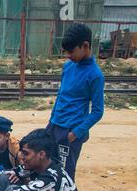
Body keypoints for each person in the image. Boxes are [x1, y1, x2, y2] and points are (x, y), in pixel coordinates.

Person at [47, 23, 104, 181]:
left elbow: (98, 111)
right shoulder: (68, 67)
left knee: (65, 175)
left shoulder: (95, 75)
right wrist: (51, 122)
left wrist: (76, 133)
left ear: (85, 46)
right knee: (46, 167)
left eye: (71, 51)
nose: (68, 55)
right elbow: (61, 95)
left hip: (71, 131)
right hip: (54, 125)